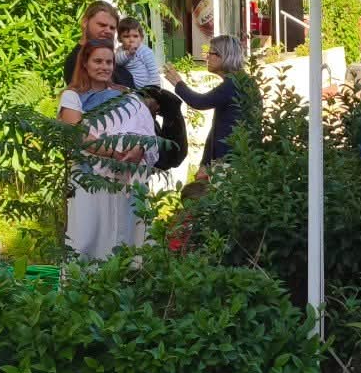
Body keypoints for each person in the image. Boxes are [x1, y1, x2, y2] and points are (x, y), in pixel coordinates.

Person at [57, 39, 157, 259]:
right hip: (89, 177)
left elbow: (144, 128)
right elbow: (78, 135)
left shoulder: (126, 94)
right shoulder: (72, 96)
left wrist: (138, 149)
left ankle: (126, 276)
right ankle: (85, 280)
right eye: (98, 61)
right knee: (86, 237)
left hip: (125, 176)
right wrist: (114, 153)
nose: (104, 67)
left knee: (124, 232)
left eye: (109, 62)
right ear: (85, 63)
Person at [169, 35, 249, 165]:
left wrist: (178, 84)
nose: (206, 57)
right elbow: (216, 128)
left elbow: (200, 102)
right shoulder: (242, 81)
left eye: (210, 53)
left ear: (223, 56)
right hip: (239, 156)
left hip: (231, 160)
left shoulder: (232, 85)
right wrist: (205, 163)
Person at [64, 2, 121, 86]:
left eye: (112, 28)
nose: (108, 31)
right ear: (84, 23)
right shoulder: (77, 62)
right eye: (102, 25)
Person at [115, 16, 163, 89]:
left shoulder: (145, 51)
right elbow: (117, 61)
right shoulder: (120, 50)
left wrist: (154, 90)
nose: (131, 40)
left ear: (141, 38)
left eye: (135, 36)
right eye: (126, 36)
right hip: (129, 86)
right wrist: (128, 53)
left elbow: (153, 74)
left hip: (146, 88)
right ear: (119, 39)